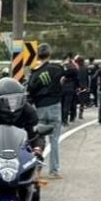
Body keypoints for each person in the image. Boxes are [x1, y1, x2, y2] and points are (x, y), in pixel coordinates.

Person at [26, 43, 66, 178]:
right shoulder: (57, 68)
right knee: (54, 140)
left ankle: (37, 170)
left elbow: (30, 90)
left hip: (40, 107)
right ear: (49, 54)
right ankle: (54, 170)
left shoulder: (35, 73)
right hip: (55, 106)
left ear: (38, 55)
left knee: (39, 140)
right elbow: (69, 74)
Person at [61, 53, 80, 125]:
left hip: (62, 87)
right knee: (67, 104)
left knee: (62, 104)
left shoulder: (61, 67)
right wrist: (78, 87)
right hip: (71, 87)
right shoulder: (73, 67)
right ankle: (65, 120)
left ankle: (62, 119)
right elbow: (77, 78)